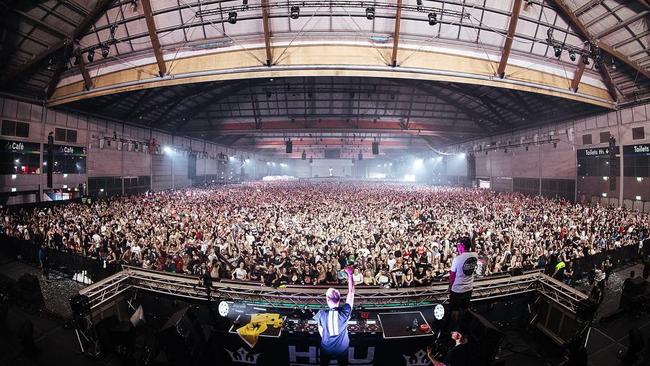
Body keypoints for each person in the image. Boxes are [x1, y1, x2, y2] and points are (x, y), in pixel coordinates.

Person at [314, 266, 355, 366]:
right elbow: (351, 293)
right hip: (342, 348)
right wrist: (350, 275)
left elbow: (321, 331)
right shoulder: (345, 312)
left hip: (326, 347)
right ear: (339, 299)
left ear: (327, 299)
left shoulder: (321, 314)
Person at [448, 240, 478, 324]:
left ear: (462, 246)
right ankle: (463, 326)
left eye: (459, 245)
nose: (458, 247)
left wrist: (450, 286)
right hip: (469, 288)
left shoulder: (457, 259)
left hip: (457, 289)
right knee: (465, 308)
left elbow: (452, 275)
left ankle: (455, 327)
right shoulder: (475, 255)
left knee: (455, 310)